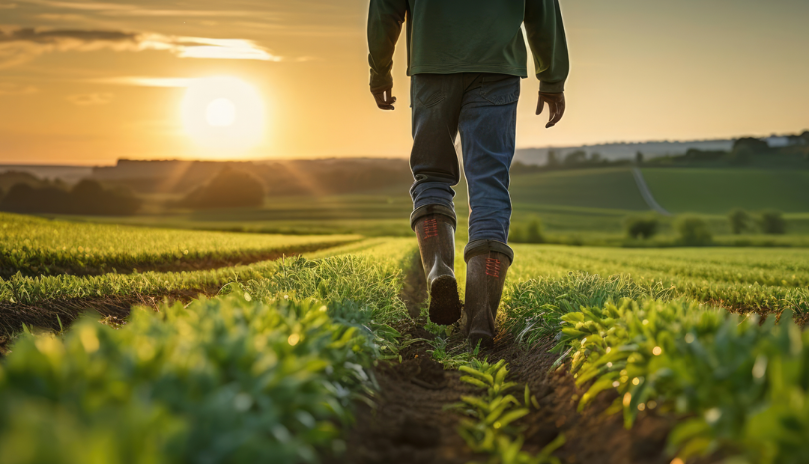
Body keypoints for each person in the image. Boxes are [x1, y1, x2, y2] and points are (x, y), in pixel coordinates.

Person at [367, 0, 569, 348]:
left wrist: (380, 70)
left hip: (432, 65)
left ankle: (438, 271)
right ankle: (480, 319)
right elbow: (542, 8)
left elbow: (385, 8)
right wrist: (552, 77)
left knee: (431, 176)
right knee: (489, 186)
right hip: (498, 67)